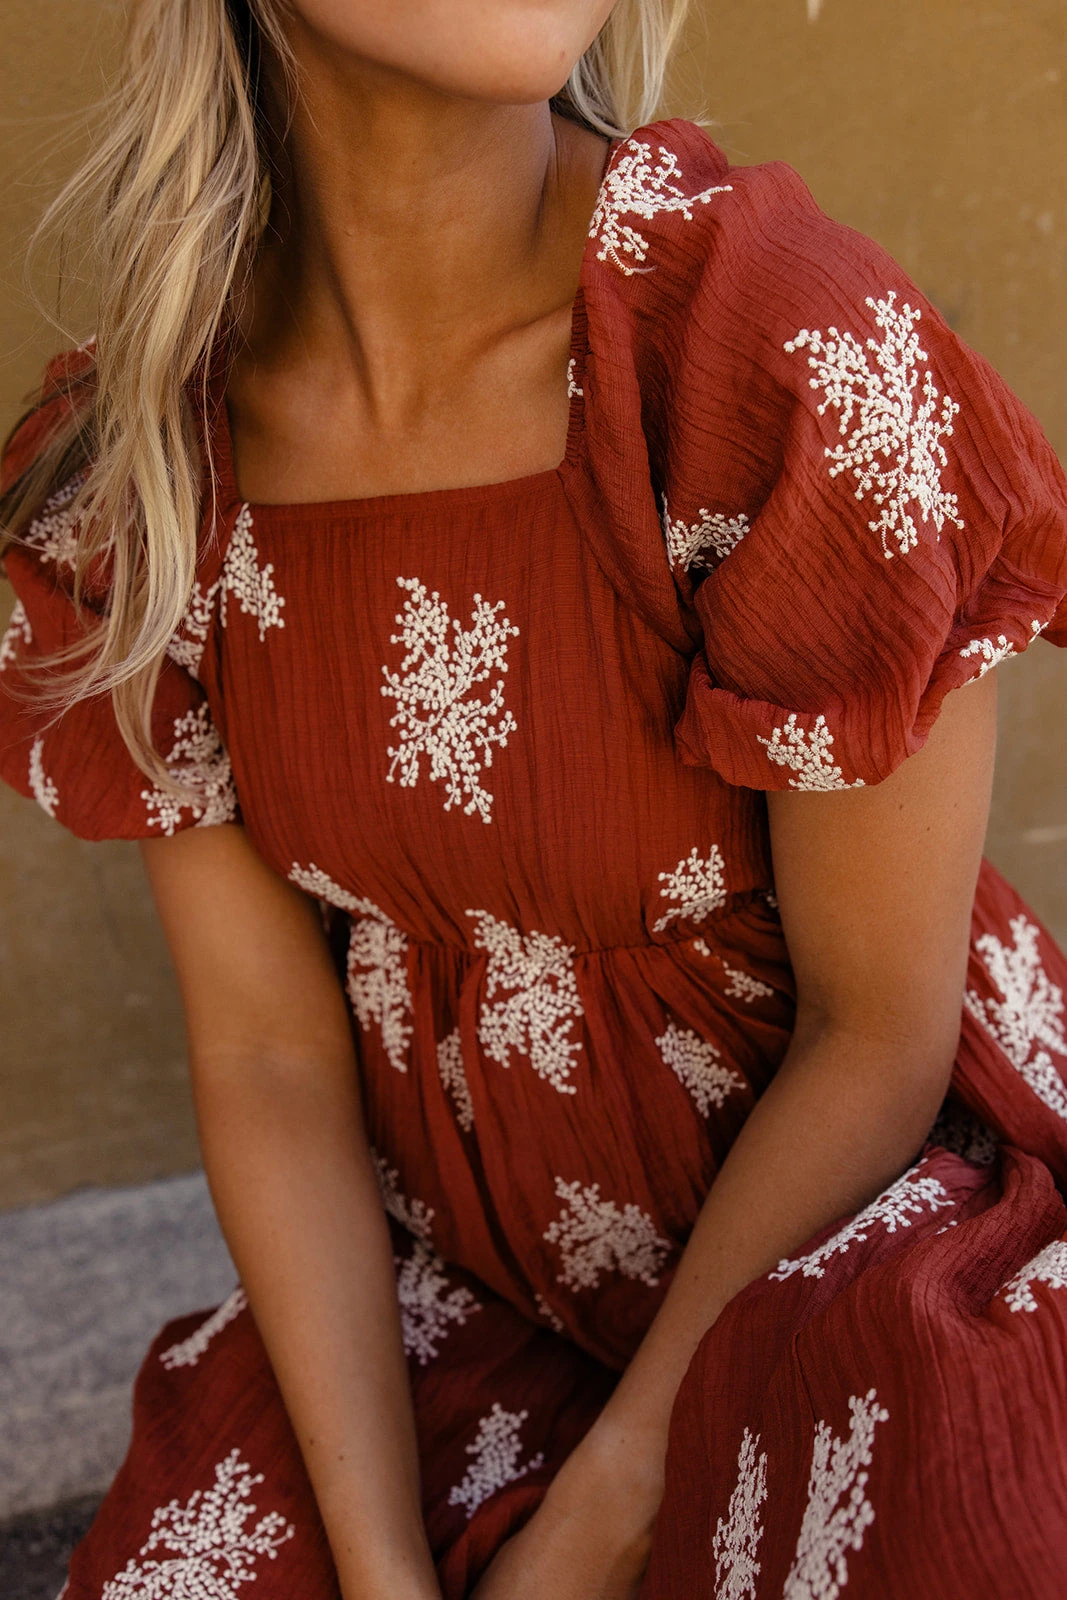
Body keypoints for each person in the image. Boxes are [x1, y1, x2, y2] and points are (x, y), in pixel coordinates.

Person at [2, 1, 1066, 1596]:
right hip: (467, 1271)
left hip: (869, 1215)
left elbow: (875, 1037)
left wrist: (596, 1522)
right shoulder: (155, 473)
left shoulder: (776, 356)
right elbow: (270, 1056)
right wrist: (382, 1572)